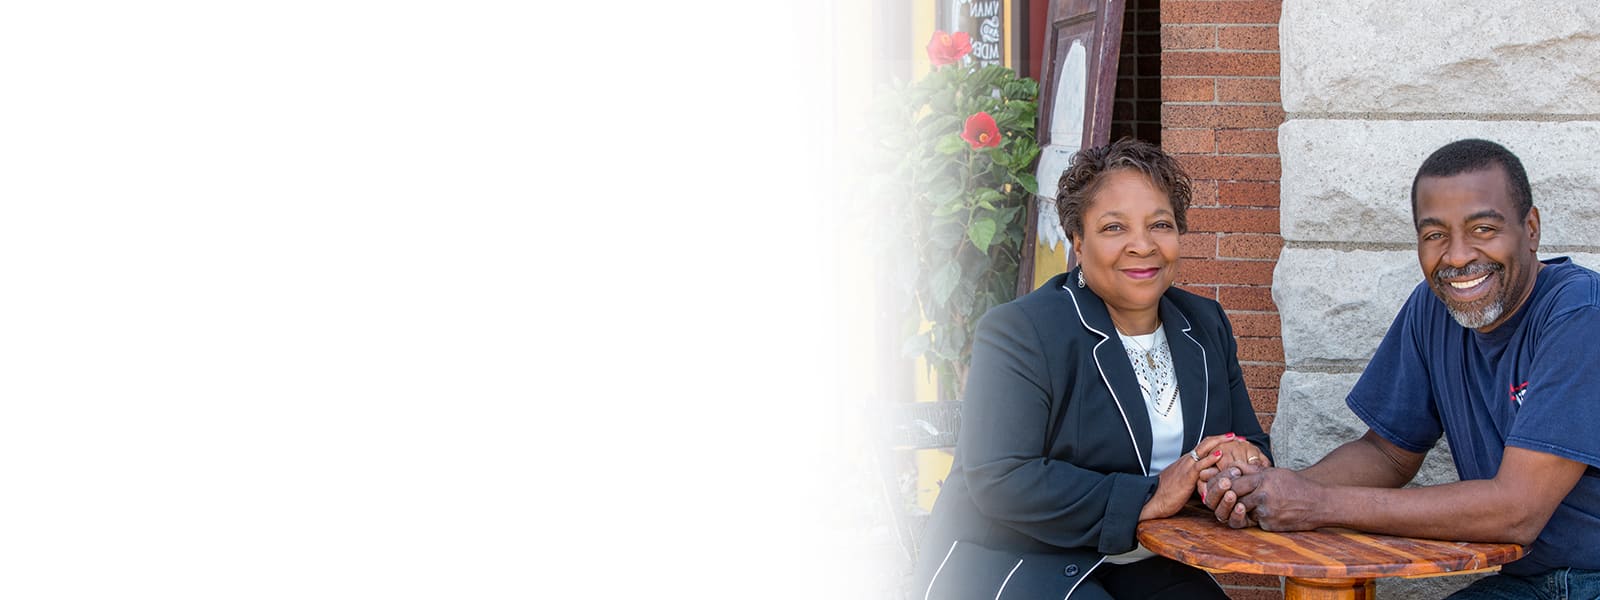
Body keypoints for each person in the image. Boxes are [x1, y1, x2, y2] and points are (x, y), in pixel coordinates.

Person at [1200, 138, 1600, 598]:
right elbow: (1387, 454)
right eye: (1434, 235)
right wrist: (1263, 492)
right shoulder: (1433, 309)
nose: (1456, 256)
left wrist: (1316, 503)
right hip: (1530, 584)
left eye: (1484, 229)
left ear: (1530, 228)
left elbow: (1517, 510)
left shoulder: (1579, 316)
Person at [911, 138, 1271, 600]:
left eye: (1160, 224)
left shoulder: (1204, 325)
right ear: (1078, 241)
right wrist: (1151, 495)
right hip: (1014, 562)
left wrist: (1237, 469)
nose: (1142, 246)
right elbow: (1001, 478)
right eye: (1114, 227)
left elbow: (1248, 443)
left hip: (1140, 564)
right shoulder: (1022, 331)